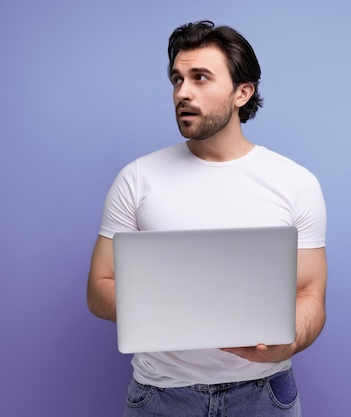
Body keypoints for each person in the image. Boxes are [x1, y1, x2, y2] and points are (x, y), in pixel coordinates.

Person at [87, 20, 327, 417]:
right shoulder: (136, 178)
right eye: (177, 79)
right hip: (161, 396)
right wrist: (176, 303)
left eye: (200, 78)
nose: (183, 92)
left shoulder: (295, 183)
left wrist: (291, 341)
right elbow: (99, 289)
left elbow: (310, 294)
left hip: (264, 393)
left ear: (242, 92)